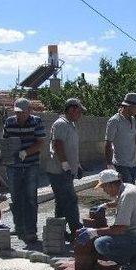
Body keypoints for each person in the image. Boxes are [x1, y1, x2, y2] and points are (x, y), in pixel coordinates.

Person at [76, 169, 136, 267]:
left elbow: (120, 229)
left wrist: (94, 232)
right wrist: (105, 205)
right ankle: (133, 256)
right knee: (103, 234)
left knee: (101, 243)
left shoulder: (127, 195)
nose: (104, 191)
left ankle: (132, 259)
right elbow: (118, 202)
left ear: (110, 185)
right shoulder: (127, 187)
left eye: (104, 187)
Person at [2, 97, 46, 243]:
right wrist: (3, 154)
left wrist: (26, 152)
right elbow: (6, 142)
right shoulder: (9, 122)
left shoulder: (36, 122)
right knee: (15, 197)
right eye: (17, 112)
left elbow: (40, 143)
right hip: (13, 167)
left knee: (30, 198)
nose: (19, 115)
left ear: (29, 111)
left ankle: (31, 230)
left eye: (22, 112)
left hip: (30, 166)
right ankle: (19, 227)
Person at [46, 97, 86, 239]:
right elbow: (57, 144)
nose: (80, 114)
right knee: (70, 200)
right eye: (79, 111)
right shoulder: (61, 124)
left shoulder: (71, 124)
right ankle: (76, 229)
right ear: (71, 109)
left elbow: (72, 148)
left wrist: (77, 166)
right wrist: (65, 164)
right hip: (59, 171)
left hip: (65, 170)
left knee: (62, 203)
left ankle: (59, 232)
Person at [105, 92, 136, 184]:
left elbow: (134, 140)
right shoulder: (114, 121)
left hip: (133, 164)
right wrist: (109, 164)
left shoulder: (132, 120)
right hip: (121, 165)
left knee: (129, 191)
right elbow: (108, 143)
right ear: (130, 106)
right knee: (126, 191)